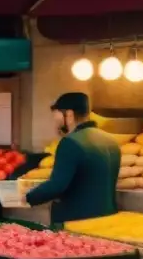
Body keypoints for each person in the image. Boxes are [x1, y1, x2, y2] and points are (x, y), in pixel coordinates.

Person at [26, 92, 121, 224]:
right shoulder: (111, 140)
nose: (55, 122)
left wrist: (27, 197)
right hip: (106, 219)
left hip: (77, 222)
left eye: (57, 116)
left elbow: (57, 186)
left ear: (69, 114)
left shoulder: (71, 143)